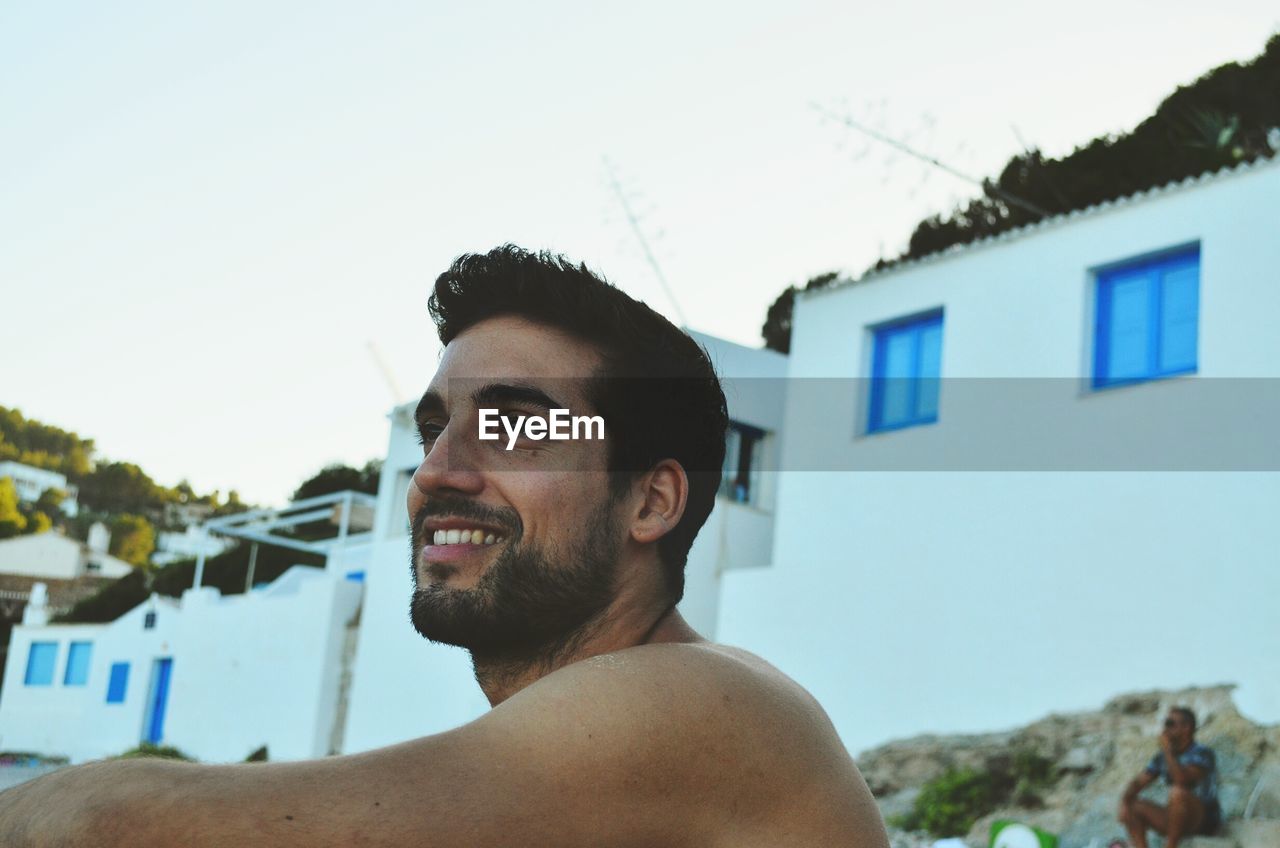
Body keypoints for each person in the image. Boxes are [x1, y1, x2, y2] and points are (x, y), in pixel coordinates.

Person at [0, 245, 889, 847]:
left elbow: (110, 825)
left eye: (512, 425)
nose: (436, 472)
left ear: (650, 500)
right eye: (435, 430)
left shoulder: (711, 706)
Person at [1118, 706, 1221, 848]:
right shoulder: (1163, 758)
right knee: (1134, 806)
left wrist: (1167, 750)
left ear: (1186, 728)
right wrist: (1125, 801)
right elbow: (1139, 782)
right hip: (1176, 819)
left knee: (1177, 792)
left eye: (1170, 723)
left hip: (1203, 820)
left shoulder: (1202, 753)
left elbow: (1182, 779)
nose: (1165, 728)